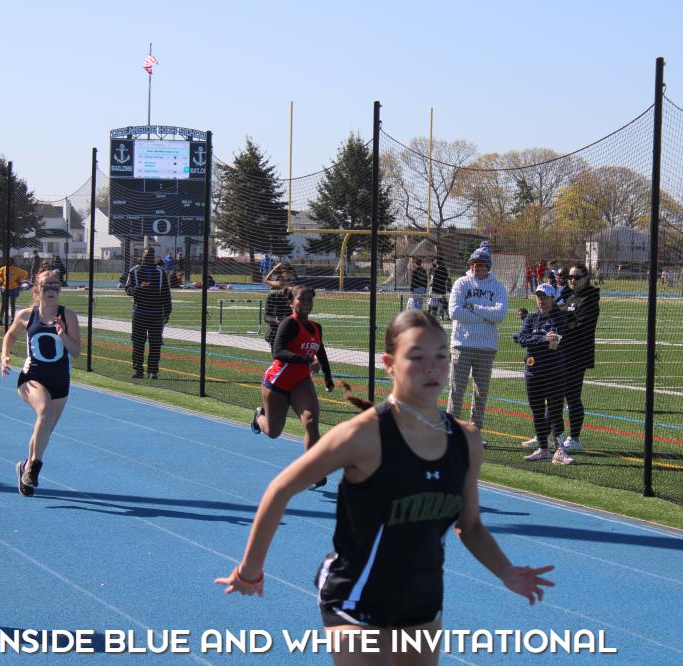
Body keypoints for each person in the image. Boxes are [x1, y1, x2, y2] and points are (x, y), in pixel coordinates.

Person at [217, 310, 554, 664]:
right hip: (355, 596)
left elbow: (469, 526)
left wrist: (506, 571)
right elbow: (280, 490)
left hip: (422, 598)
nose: (431, 368)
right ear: (390, 364)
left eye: (441, 356)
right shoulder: (364, 434)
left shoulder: (466, 439)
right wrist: (249, 571)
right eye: (416, 357)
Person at [0, 270, 80, 497]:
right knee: (44, 411)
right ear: (37, 290)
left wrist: (63, 334)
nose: (51, 290)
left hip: (60, 380)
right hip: (32, 377)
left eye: (55, 286)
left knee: (45, 429)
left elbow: (76, 351)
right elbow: (10, 335)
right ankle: (35, 468)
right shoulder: (26, 315)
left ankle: (25, 467)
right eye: (46, 286)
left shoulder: (68, 316)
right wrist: (4, 356)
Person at [252, 285, 334, 488]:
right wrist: (306, 360)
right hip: (277, 383)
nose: (306, 303)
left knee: (311, 421)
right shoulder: (289, 324)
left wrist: (328, 377)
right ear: (291, 302)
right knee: (273, 432)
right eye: (301, 299)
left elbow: (321, 352)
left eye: (309, 300)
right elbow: (278, 352)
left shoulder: (316, 327)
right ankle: (258, 416)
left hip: (301, 383)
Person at [447, 241, 508, 440]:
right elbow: (454, 312)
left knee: (481, 393)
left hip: (486, 347)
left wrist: (473, 307)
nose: (475, 267)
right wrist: (485, 317)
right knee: (457, 390)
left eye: (479, 264)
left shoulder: (498, 287)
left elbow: (499, 315)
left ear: (487, 266)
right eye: (472, 263)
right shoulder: (461, 283)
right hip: (462, 345)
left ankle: (474, 433)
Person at [515, 284, 571, 465]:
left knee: (555, 411)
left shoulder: (559, 318)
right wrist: (542, 338)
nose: (542, 300)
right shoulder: (531, 318)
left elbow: (554, 342)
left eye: (545, 297)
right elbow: (522, 339)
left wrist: (537, 341)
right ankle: (543, 449)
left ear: (553, 299)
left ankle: (560, 450)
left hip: (554, 372)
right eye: (539, 297)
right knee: (537, 411)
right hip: (532, 372)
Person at [557, 264, 601, 451]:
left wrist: (560, 329)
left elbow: (581, 326)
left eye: (576, 277)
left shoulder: (589, 299)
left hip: (578, 354)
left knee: (572, 395)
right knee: (555, 394)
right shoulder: (571, 296)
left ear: (586, 278)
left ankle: (574, 438)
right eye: (570, 277)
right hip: (564, 351)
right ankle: (548, 434)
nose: (572, 281)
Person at [125, 247, 172, 379]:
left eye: (150, 256)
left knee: (155, 344)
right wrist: (138, 288)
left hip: (156, 314)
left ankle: (153, 371)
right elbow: (127, 289)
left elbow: (166, 294)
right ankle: (138, 370)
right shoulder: (134, 271)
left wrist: (167, 312)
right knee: (138, 343)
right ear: (142, 257)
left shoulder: (161, 272)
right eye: (146, 256)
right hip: (139, 312)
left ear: (154, 257)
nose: (148, 259)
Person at [264, 268, 296, 348]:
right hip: (276, 334)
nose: (291, 282)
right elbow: (267, 317)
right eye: (288, 280)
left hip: (292, 334)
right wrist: (276, 320)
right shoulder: (273, 295)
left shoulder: (297, 297)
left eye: (292, 280)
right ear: (281, 282)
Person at [0, 256, 29, 326]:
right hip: (5, 288)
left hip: (14, 288)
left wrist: (19, 280)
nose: (8, 262)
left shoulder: (17, 269)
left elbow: (25, 274)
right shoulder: (4, 268)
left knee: (12, 304)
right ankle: (0, 319)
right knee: (3, 304)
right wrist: (1, 278)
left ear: (12, 262)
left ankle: (12, 319)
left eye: (10, 261)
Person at [427, 256, 449, 321]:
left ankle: (433, 318)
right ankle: (449, 315)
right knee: (444, 304)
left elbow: (434, 280)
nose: (435, 261)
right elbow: (446, 278)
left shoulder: (436, 270)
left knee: (434, 305)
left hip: (436, 290)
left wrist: (431, 284)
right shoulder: (445, 269)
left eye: (436, 260)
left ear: (438, 261)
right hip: (442, 289)